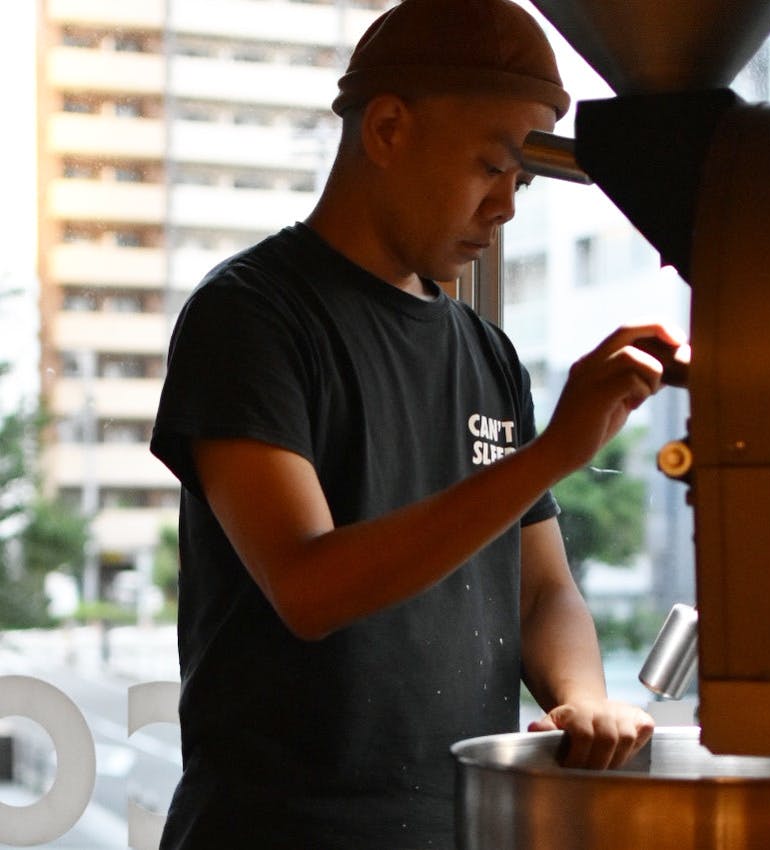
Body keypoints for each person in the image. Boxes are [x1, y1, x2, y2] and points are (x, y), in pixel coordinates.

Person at [151, 0, 681, 846]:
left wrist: (582, 697)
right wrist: (551, 454)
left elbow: (542, 590)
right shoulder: (250, 314)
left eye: (521, 180)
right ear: (389, 128)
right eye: (490, 165)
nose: (505, 206)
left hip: (462, 826)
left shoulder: (487, 352)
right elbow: (309, 586)